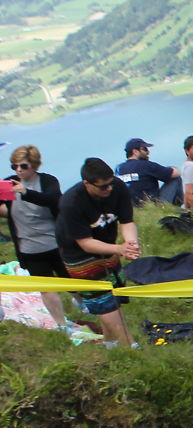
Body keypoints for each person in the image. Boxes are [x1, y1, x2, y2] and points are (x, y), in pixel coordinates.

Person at [56, 158, 140, 348]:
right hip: (78, 254)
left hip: (108, 246)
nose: (109, 189)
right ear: (87, 183)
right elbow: (86, 243)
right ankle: (130, 347)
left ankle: (110, 344)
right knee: (103, 302)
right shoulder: (70, 202)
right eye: (103, 187)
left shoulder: (117, 187)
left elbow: (127, 221)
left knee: (114, 297)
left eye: (111, 184)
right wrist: (119, 249)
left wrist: (131, 244)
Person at [3, 144, 69, 328]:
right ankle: (61, 326)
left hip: (56, 244)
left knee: (72, 282)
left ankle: (84, 304)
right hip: (29, 249)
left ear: (34, 165)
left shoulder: (47, 181)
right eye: (14, 166)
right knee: (46, 289)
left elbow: (53, 199)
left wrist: (25, 193)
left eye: (23, 166)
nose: (18, 170)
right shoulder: (9, 184)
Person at [116, 138, 181, 204]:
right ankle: (184, 206)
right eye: (145, 149)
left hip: (128, 207)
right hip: (152, 205)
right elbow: (176, 173)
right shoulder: (146, 165)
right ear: (135, 151)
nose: (148, 152)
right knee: (176, 179)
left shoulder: (118, 168)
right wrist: (172, 168)